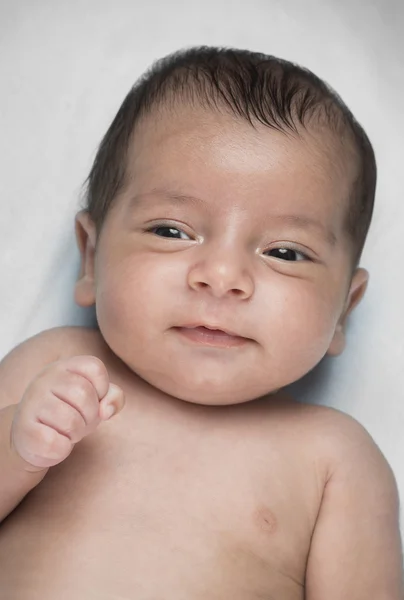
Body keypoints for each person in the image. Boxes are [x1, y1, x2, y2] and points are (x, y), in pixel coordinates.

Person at [0, 46, 402, 599]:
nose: (221, 275)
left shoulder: (335, 459)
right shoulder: (55, 367)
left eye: (285, 252)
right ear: (91, 258)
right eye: (171, 231)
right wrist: (18, 446)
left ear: (343, 312)